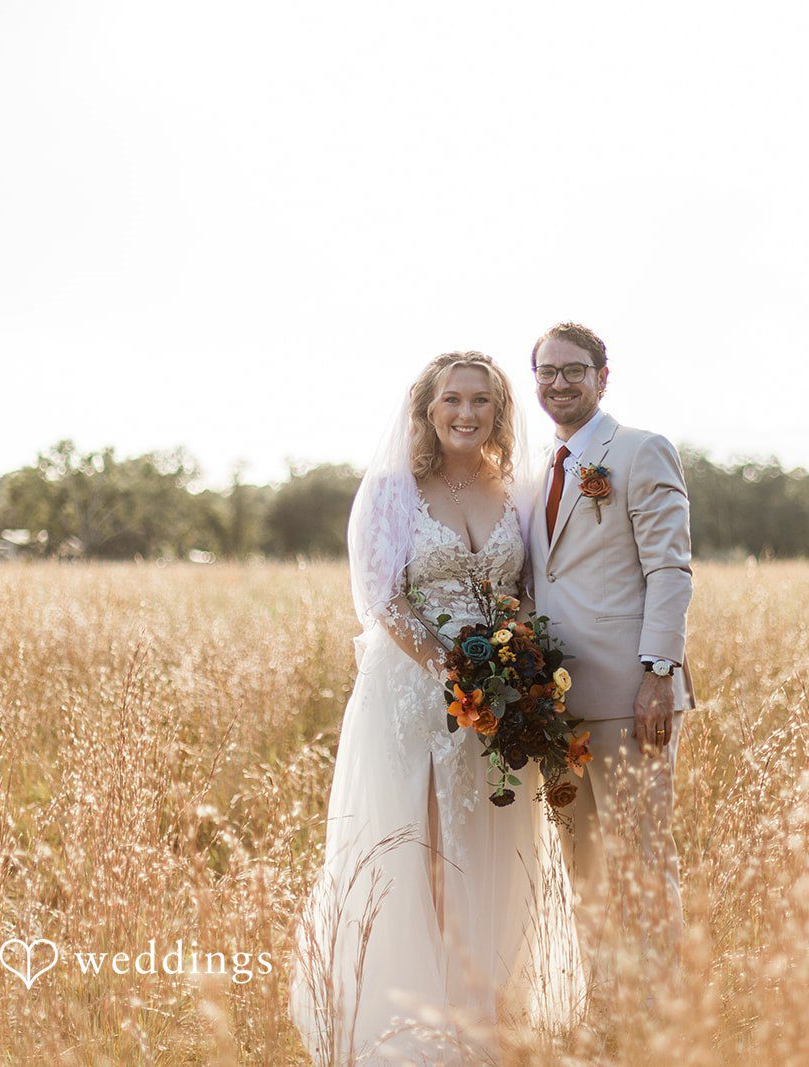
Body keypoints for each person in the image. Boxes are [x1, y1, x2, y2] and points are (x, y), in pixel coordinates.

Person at [289, 351, 580, 1065]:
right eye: (452, 399)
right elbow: (383, 597)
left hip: (503, 696)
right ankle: (418, 1027)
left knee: (494, 847)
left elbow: (531, 592)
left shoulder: (514, 490)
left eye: (482, 400)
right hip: (415, 695)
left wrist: (520, 672)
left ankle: (488, 1012)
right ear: (427, 407)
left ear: (499, 411)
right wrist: (450, 667)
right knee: (423, 845)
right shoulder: (394, 489)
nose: (466, 413)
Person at [525, 322, 697, 999]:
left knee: (642, 860)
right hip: (553, 705)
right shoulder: (542, 468)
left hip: (632, 697)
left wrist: (659, 673)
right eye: (547, 371)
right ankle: (604, 1005)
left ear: (603, 376)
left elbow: (670, 569)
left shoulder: (639, 451)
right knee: (583, 862)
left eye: (573, 370)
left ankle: (658, 1013)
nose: (559, 383)